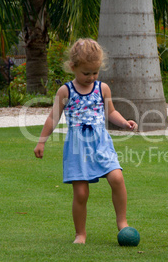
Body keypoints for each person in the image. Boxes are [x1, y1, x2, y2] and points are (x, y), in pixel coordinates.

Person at [34, 38, 137, 244]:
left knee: (117, 178)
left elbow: (111, 112)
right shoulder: (66, 91)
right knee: (81, 193)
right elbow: (53, 117)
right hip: (77, 147)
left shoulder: (102, 89)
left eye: (95, 72)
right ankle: (80, 234)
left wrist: (124, 123)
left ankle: (122, 222)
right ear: (73, 67)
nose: (91, 77)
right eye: (86, 73)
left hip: (101, 143)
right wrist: (41, 141)